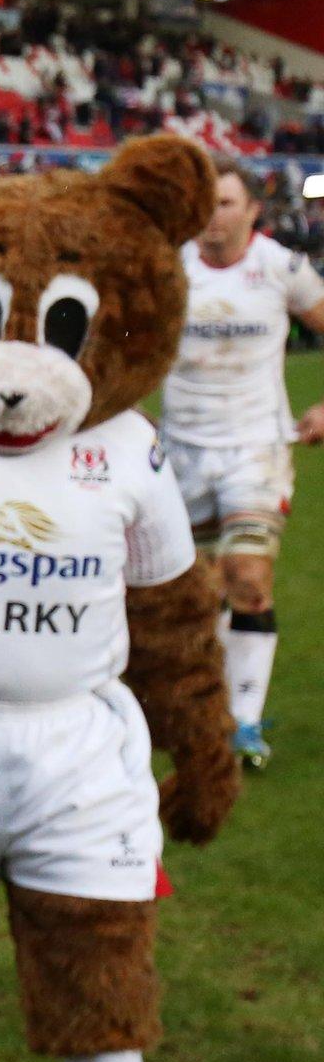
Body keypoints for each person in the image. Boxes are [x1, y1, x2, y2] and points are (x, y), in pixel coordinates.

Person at [162, 155, 324, 771]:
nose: (213, 215)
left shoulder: (281, 268)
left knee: (248, 578)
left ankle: (245, 724)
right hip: (182, 449)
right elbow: (127, 338)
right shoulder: (171, 269)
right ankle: (208, 707)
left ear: (253, 210)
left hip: (257, 447)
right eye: (206, 203)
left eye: (226, 203)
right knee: (199, 595)